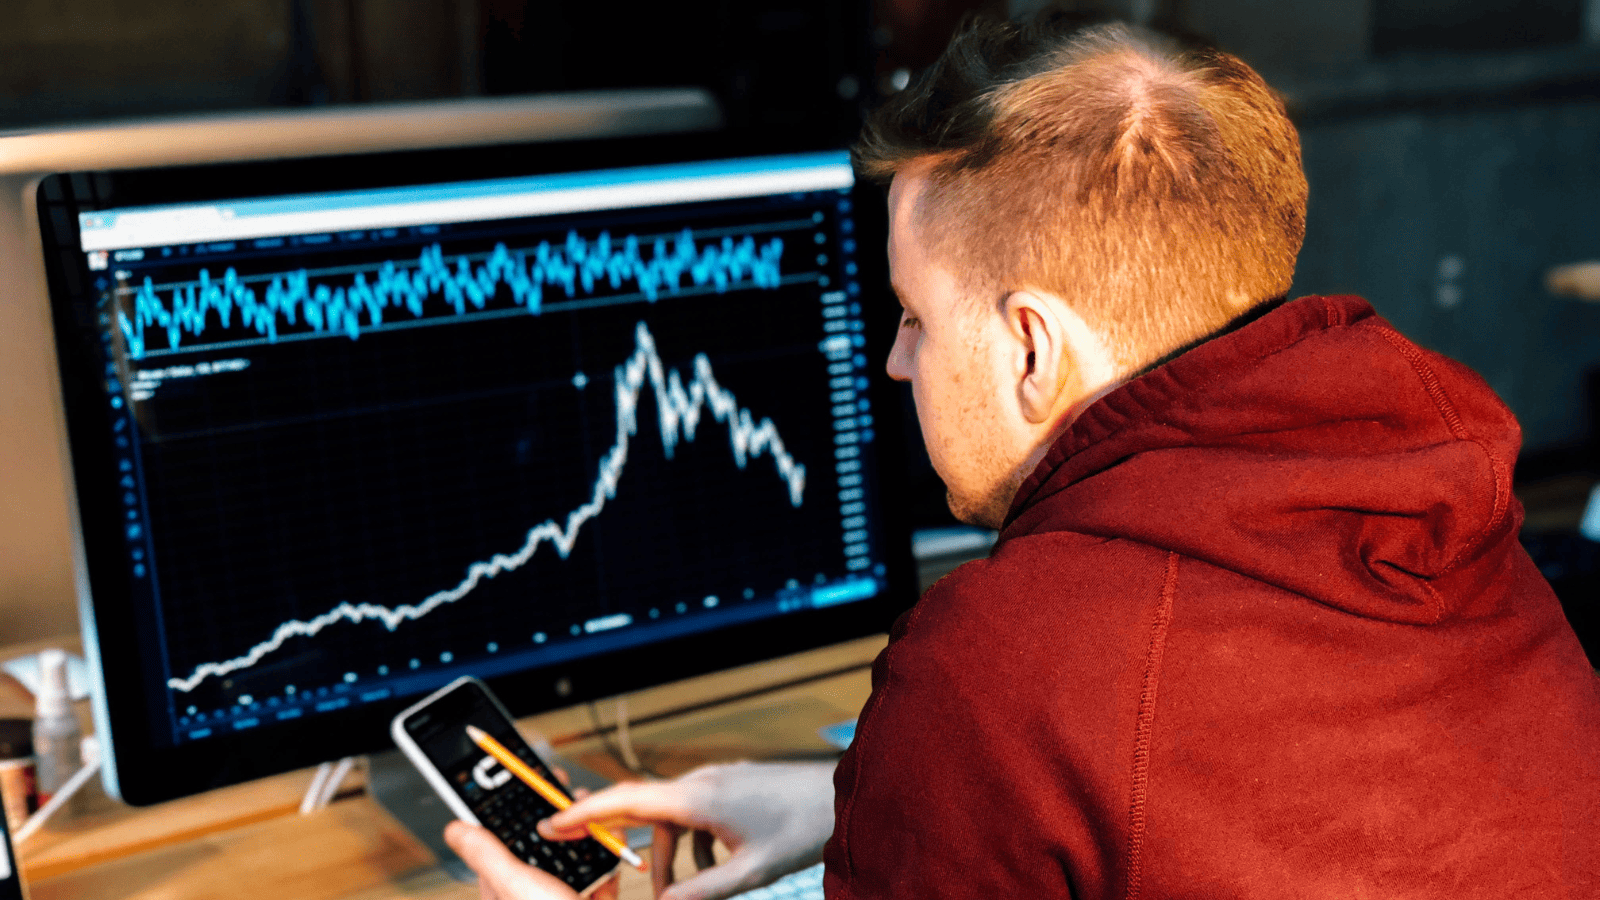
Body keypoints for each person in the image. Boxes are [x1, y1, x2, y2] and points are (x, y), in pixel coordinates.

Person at [446, 14, 1600, 900]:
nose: (895, 364)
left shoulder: (1006, 662)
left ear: (1031, 346)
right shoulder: (1450, 524)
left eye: (913, 318)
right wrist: (859, 800)